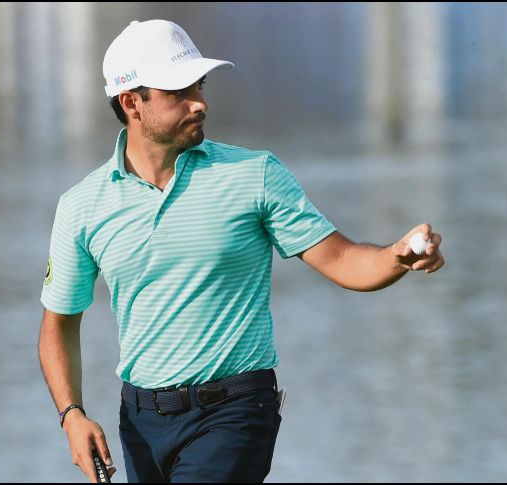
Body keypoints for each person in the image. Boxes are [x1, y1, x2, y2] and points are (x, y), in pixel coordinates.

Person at [38, 19, 445, 483]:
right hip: (140, 423)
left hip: (235, 410)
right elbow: (58, 325)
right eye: (179, 91)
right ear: (132, 102)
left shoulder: (255, 175)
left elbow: (343, 260)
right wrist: (72, 414)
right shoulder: (82, 207)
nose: (201, 102)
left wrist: (395, 256)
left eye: (200, 84)